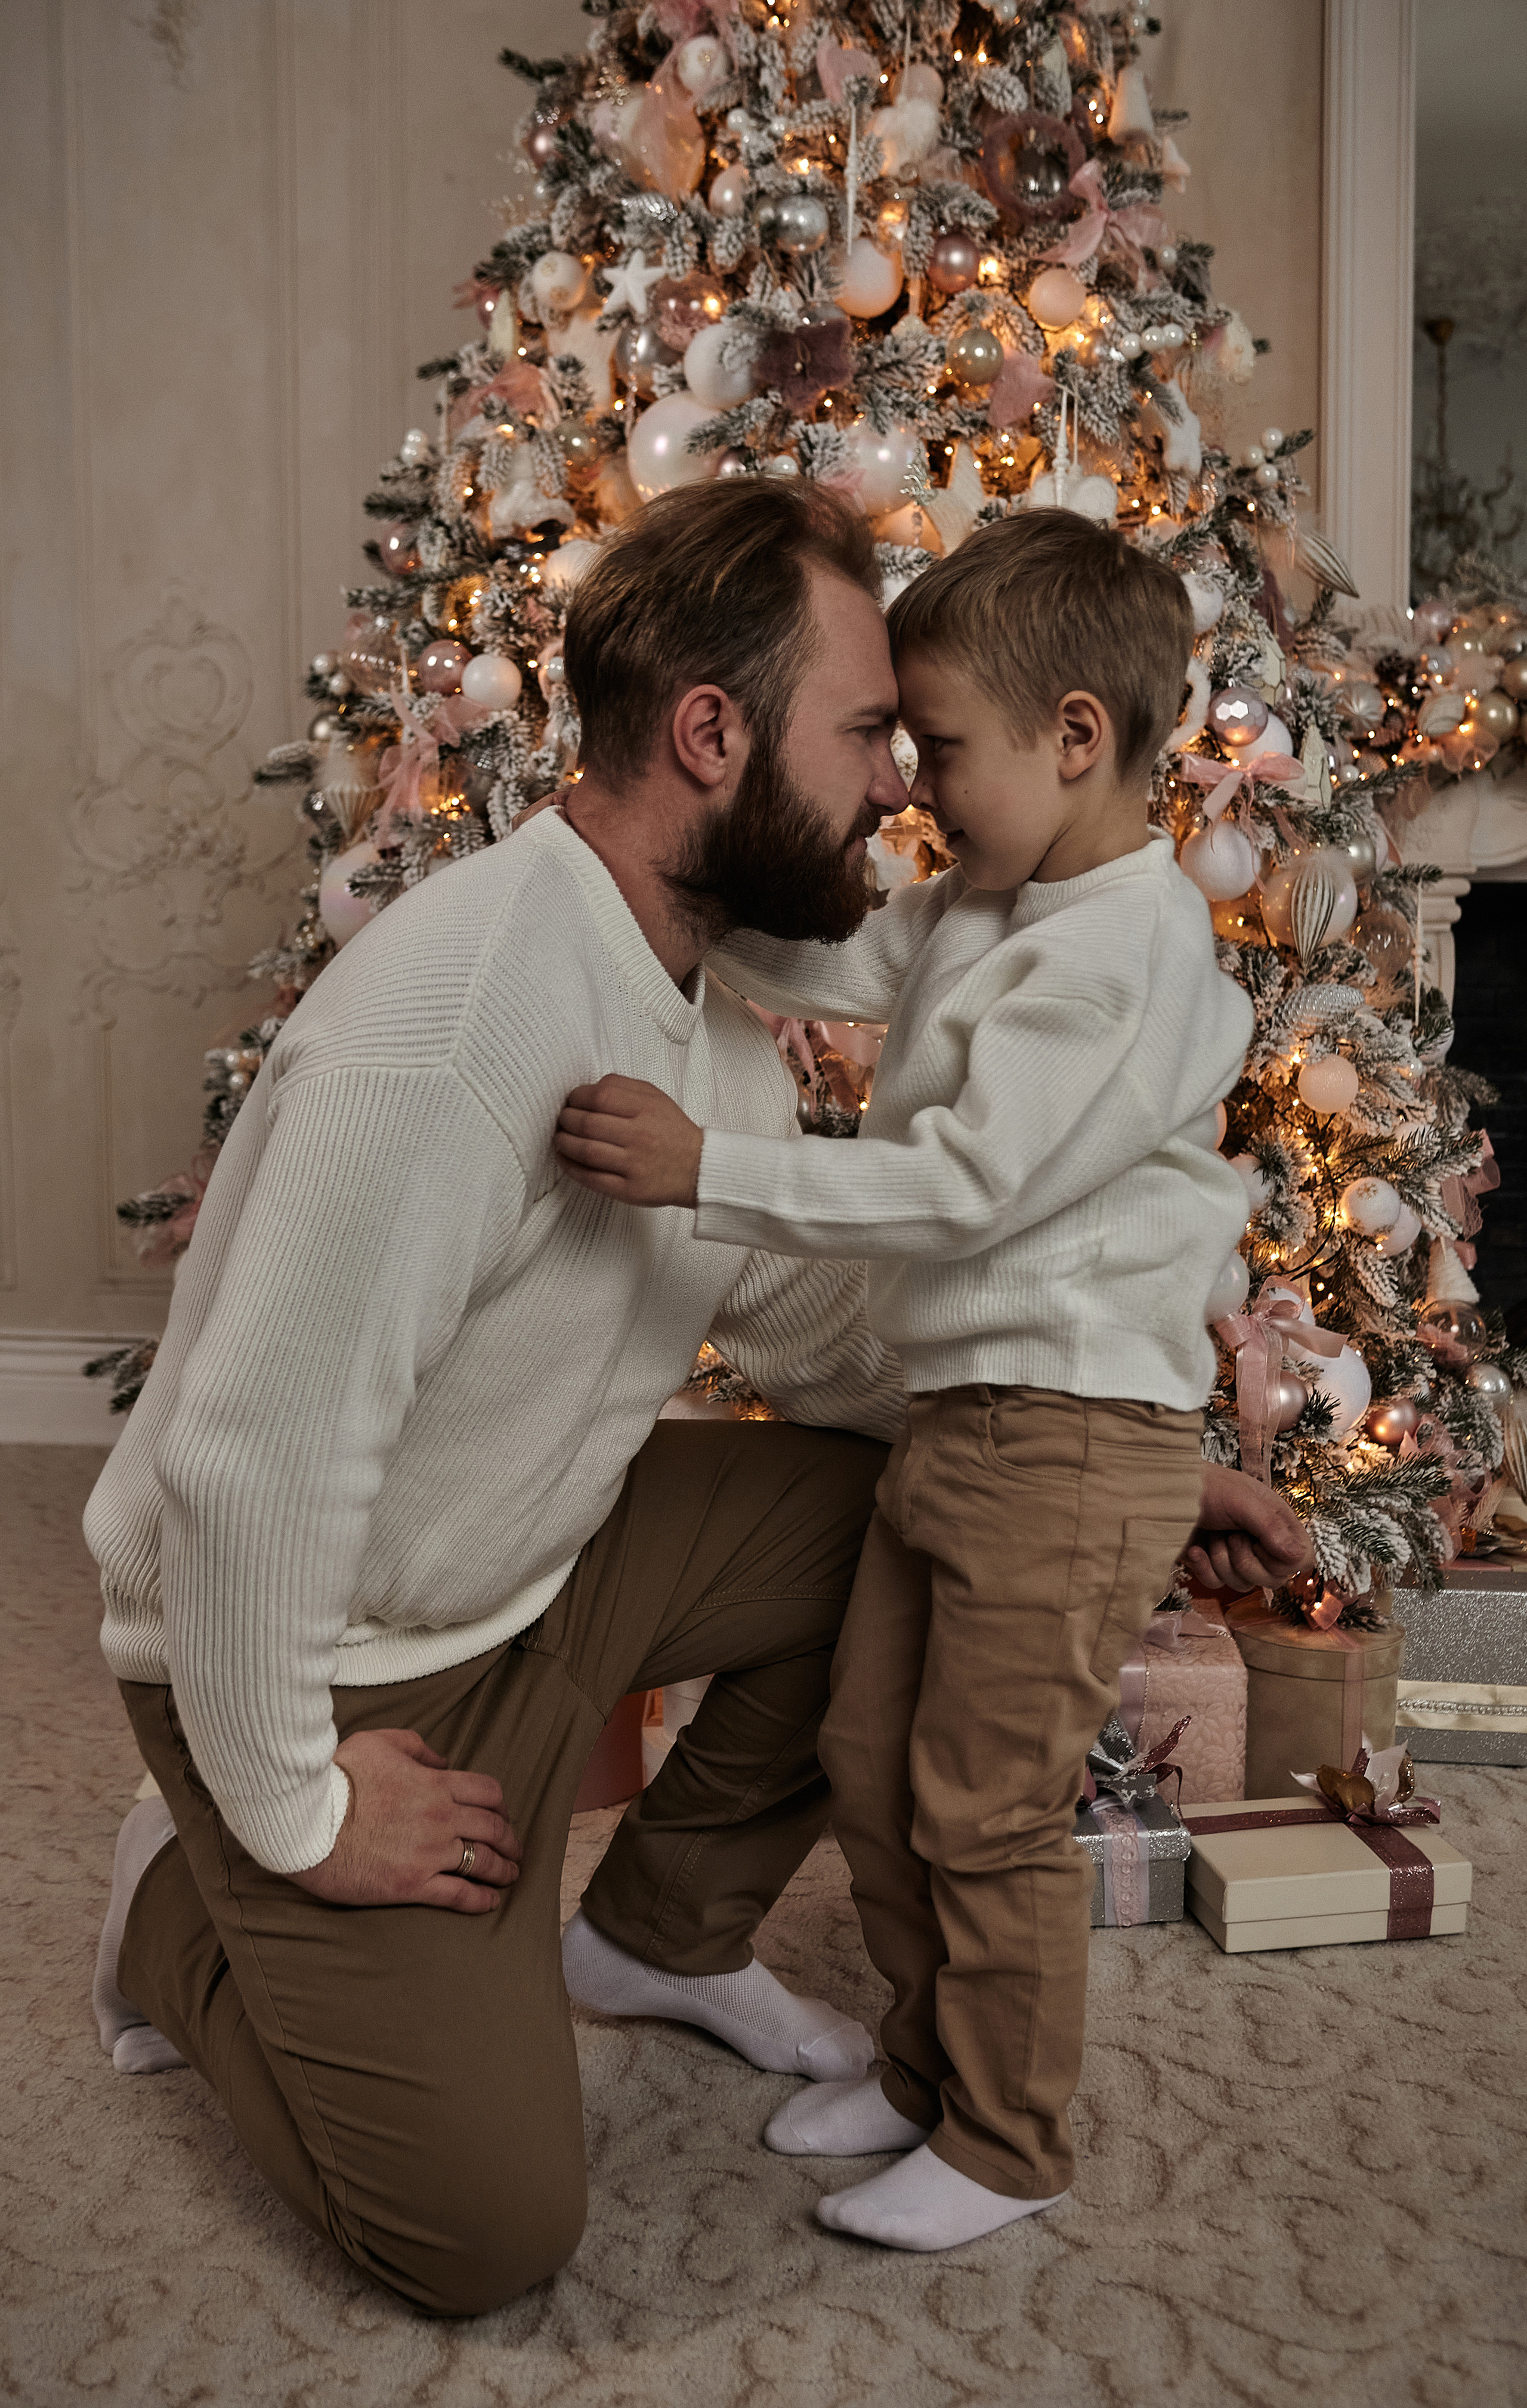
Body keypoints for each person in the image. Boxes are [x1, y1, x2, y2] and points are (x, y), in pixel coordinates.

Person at [86, 481, 1306, 2317]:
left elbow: (810, 1329)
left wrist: (1112, 1468)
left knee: (908, 1520)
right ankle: (183, 1907)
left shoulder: (704, 1008)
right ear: (713, 734)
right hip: (322, 1656)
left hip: (528, 1572)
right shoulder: (457, 1020)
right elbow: (246, 1461)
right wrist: (298, 1808)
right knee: (484, 2239)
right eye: (866, 731)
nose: (901, 780)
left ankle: (656, 1934)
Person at [554, 507, 1263, 2255]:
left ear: (1075, 737)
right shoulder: (988, 899)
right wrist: (664, 888)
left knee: (987, 1803)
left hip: (1073, 1440)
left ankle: (1012, 2140)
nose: (912, 787)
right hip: (961, 1419)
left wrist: (709, 1162)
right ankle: (930, 2062)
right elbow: (838, 958)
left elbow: (961, 1183)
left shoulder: (1121, 955)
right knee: (873, 1759)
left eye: (939, 748)